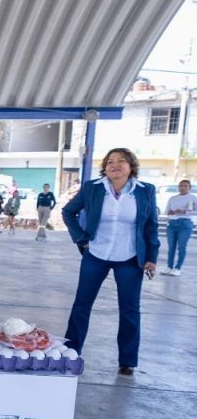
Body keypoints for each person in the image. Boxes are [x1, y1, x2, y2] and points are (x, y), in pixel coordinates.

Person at [63, 148, 159, 376]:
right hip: (96, 254)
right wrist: (81, 238)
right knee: (82, 305)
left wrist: (151, 257)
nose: (115, 165)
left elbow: (150, 226)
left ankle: (127, 361)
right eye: (110, 162)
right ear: (104, 168)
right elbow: (68, 212)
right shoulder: (93, 188)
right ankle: (71, 352)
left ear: (131, 166)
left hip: (130, 258)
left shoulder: (145, 190)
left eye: (121, 161)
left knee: (130, 309)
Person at [162, 179, 196, 276]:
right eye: (181, 186)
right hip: (172, 224)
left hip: (185, 224)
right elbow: (166, 212)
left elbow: (194, 211)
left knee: (181, 247)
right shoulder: (173, 198)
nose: (183, 188)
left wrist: (184, 211)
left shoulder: (192, 198)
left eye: (185, 186)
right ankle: (169, 267)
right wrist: (170, 212)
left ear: (189, 187)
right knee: (171, 247)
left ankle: (178, 268)